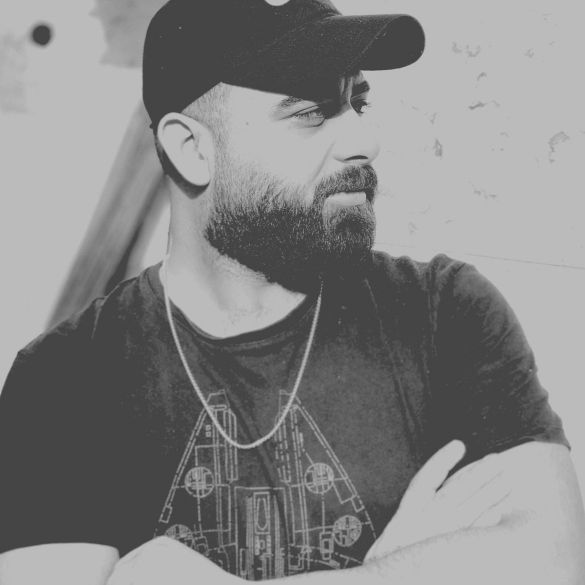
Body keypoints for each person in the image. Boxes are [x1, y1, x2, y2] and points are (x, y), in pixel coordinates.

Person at [0, 0, 584, 583]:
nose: (365, 140)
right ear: (192, 149)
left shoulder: (444, 312)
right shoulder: (63, 379)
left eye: (358, 103)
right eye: (310, 113)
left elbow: (554, 561)